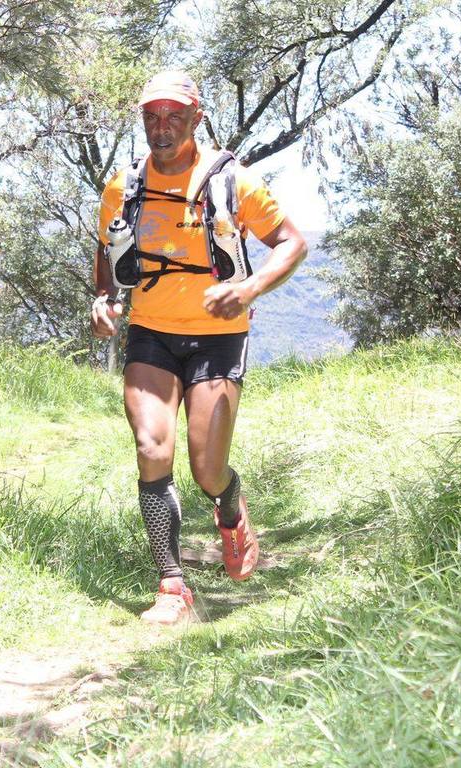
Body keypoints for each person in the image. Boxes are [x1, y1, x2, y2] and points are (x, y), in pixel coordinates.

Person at [91, 70, 307, 625]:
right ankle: (171, 585)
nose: (161, 126)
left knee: (207, 468)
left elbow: (292, 243)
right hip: (151, 334)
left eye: (174, 115)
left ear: (196, 118)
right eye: (151, 116)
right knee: (151, 447)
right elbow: (107, 253)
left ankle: (229, 507)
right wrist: (104, 301)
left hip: (219, 337)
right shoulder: (123, 187)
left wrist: (249, 289)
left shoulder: (232, 181)